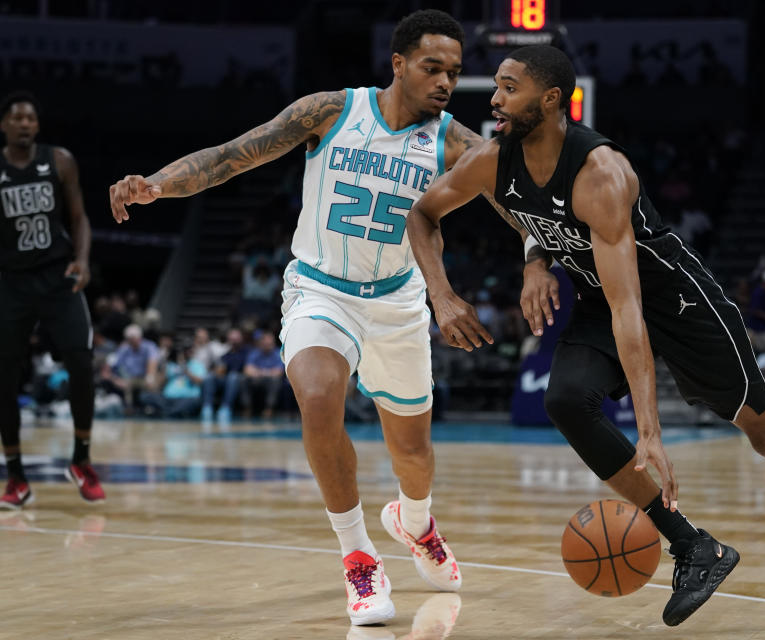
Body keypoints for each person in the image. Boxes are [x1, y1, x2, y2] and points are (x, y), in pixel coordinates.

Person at [404, 45, 765, 627]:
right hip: (600, 297)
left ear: (551, 100)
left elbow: (633, 309)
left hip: (675, 300)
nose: (495, 100)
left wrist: (649, 432)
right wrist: (455, 291)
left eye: (509, 87)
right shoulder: (491, 161)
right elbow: (424, 215)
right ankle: (693, 546)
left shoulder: (600, 174)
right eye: (497, 88)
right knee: (565, 401)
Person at [107, 10, 522, 626]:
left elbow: (517, 200)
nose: (444, 82)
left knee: (413, 452)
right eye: (432, 68)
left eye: (454, 73)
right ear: (399, 64)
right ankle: (358, 557)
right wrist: (158, 186)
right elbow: (234, 155)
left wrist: (540, 257)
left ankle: (415, 524)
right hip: (320, 289)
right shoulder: (329, 112)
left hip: (399, 299)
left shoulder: (455, 142)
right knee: (320, 397)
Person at [0, 91, 105, 508]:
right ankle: (16, 477)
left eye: (31, 117)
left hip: (58, 276)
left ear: (37, 126)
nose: (25, 123)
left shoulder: (58, 160)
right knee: (5, 377)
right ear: (4, 125)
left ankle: (81, 459)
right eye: (17, 117)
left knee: (81, 360)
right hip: (11, 281)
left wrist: (81, 259)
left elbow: (79, 217)